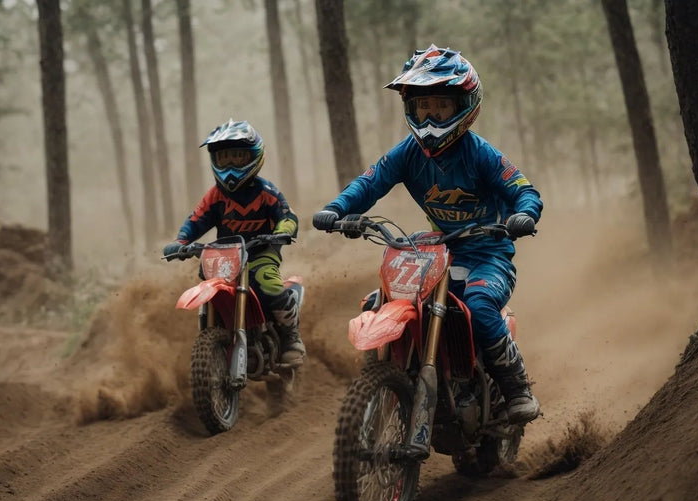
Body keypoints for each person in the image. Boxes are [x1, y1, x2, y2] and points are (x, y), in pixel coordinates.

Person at [311, 45, 542, 424]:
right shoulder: (408, 153)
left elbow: (523, 189)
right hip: (439, 254)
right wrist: (337, 210)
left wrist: (524, 215)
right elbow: (370, 182)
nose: (431, 116)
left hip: (488, 255)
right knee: (377, 301)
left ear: (464, 106)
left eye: (441, 106)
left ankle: (518, 389)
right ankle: (390, 377)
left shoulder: (480, 154)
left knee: (480, 307)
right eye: (422, 107)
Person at [164, 119, 306, 366]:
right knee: (206, 280)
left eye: (237, 157)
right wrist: (181, 241)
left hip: (261, 253)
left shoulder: (266, 192)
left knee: (268, 282)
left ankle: (290, 338)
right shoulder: (215, 196)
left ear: (253, 157)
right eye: (224, 159)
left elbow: (287, 216)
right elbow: (196, 220)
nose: (230, 165)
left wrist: (282, 231)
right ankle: (214, 339)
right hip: (225, 257)